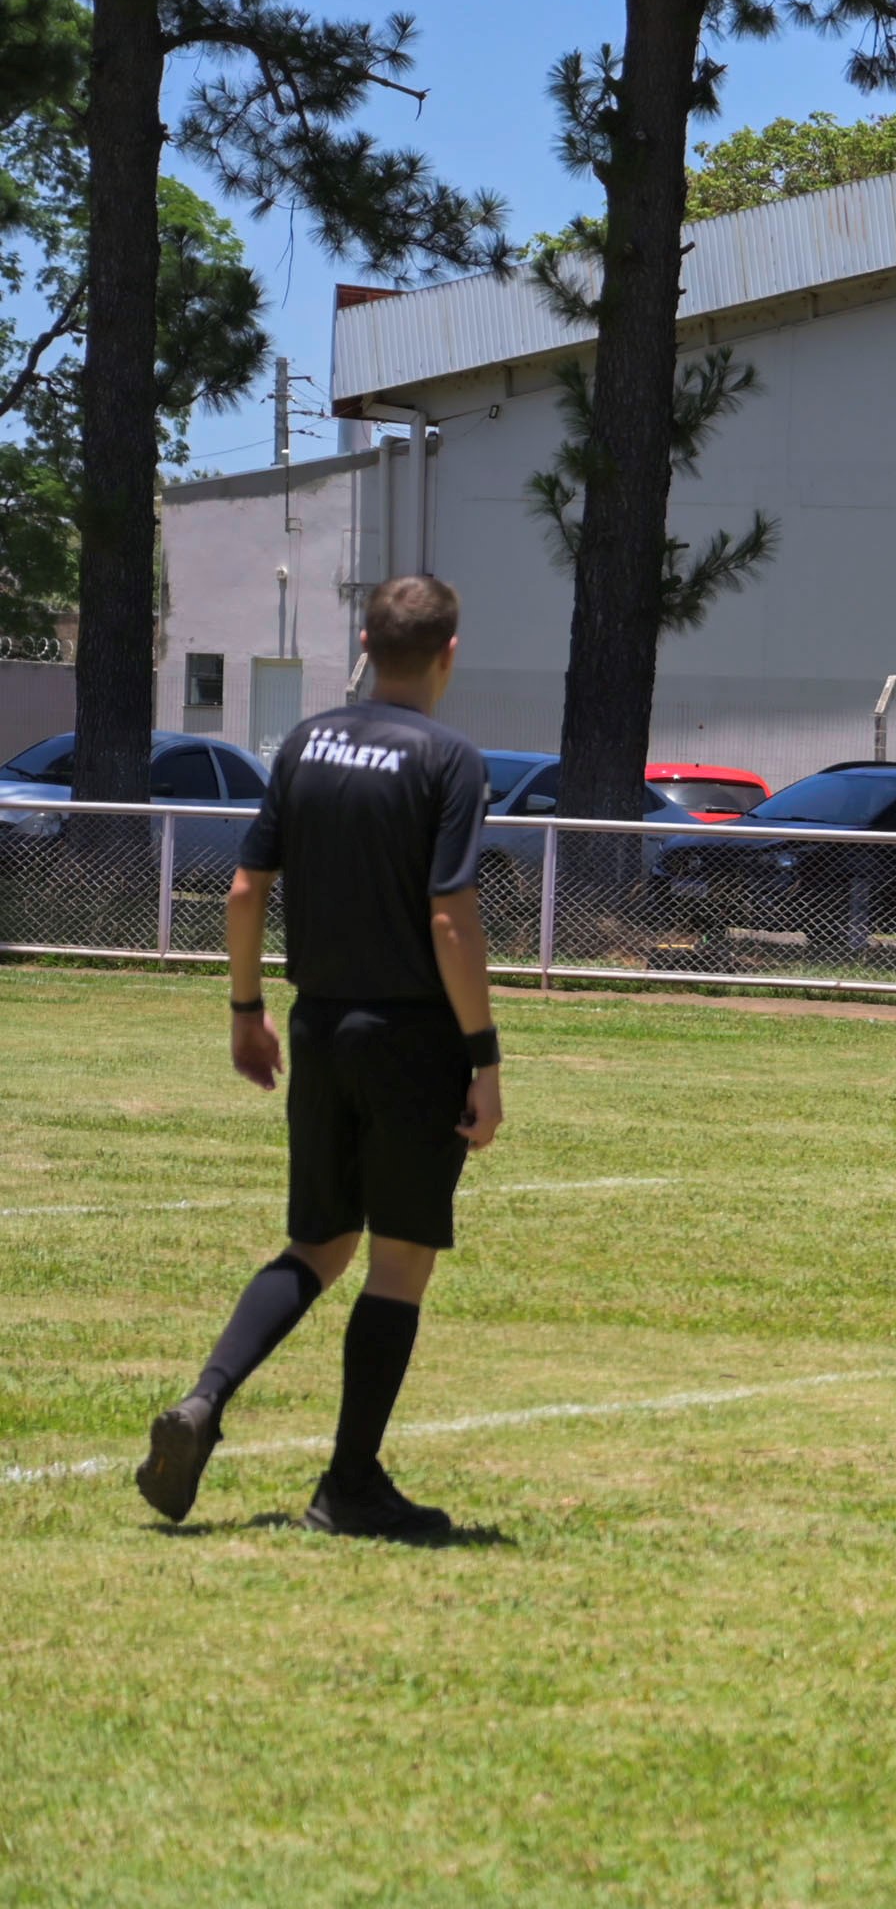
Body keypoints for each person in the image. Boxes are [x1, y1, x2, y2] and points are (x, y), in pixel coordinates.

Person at [136, 575, 500, 1540]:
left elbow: (246, 889)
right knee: (400, 1257)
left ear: (368, 647)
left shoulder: (304, 743)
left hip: (315, 1027)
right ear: (448, 654)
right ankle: (349, 1485)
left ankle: (207, 1399)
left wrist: (246, 1009)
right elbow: (449, 917)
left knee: (318, 1244)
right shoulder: (450, 760)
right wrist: (486, 1057)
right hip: (411, 1039)